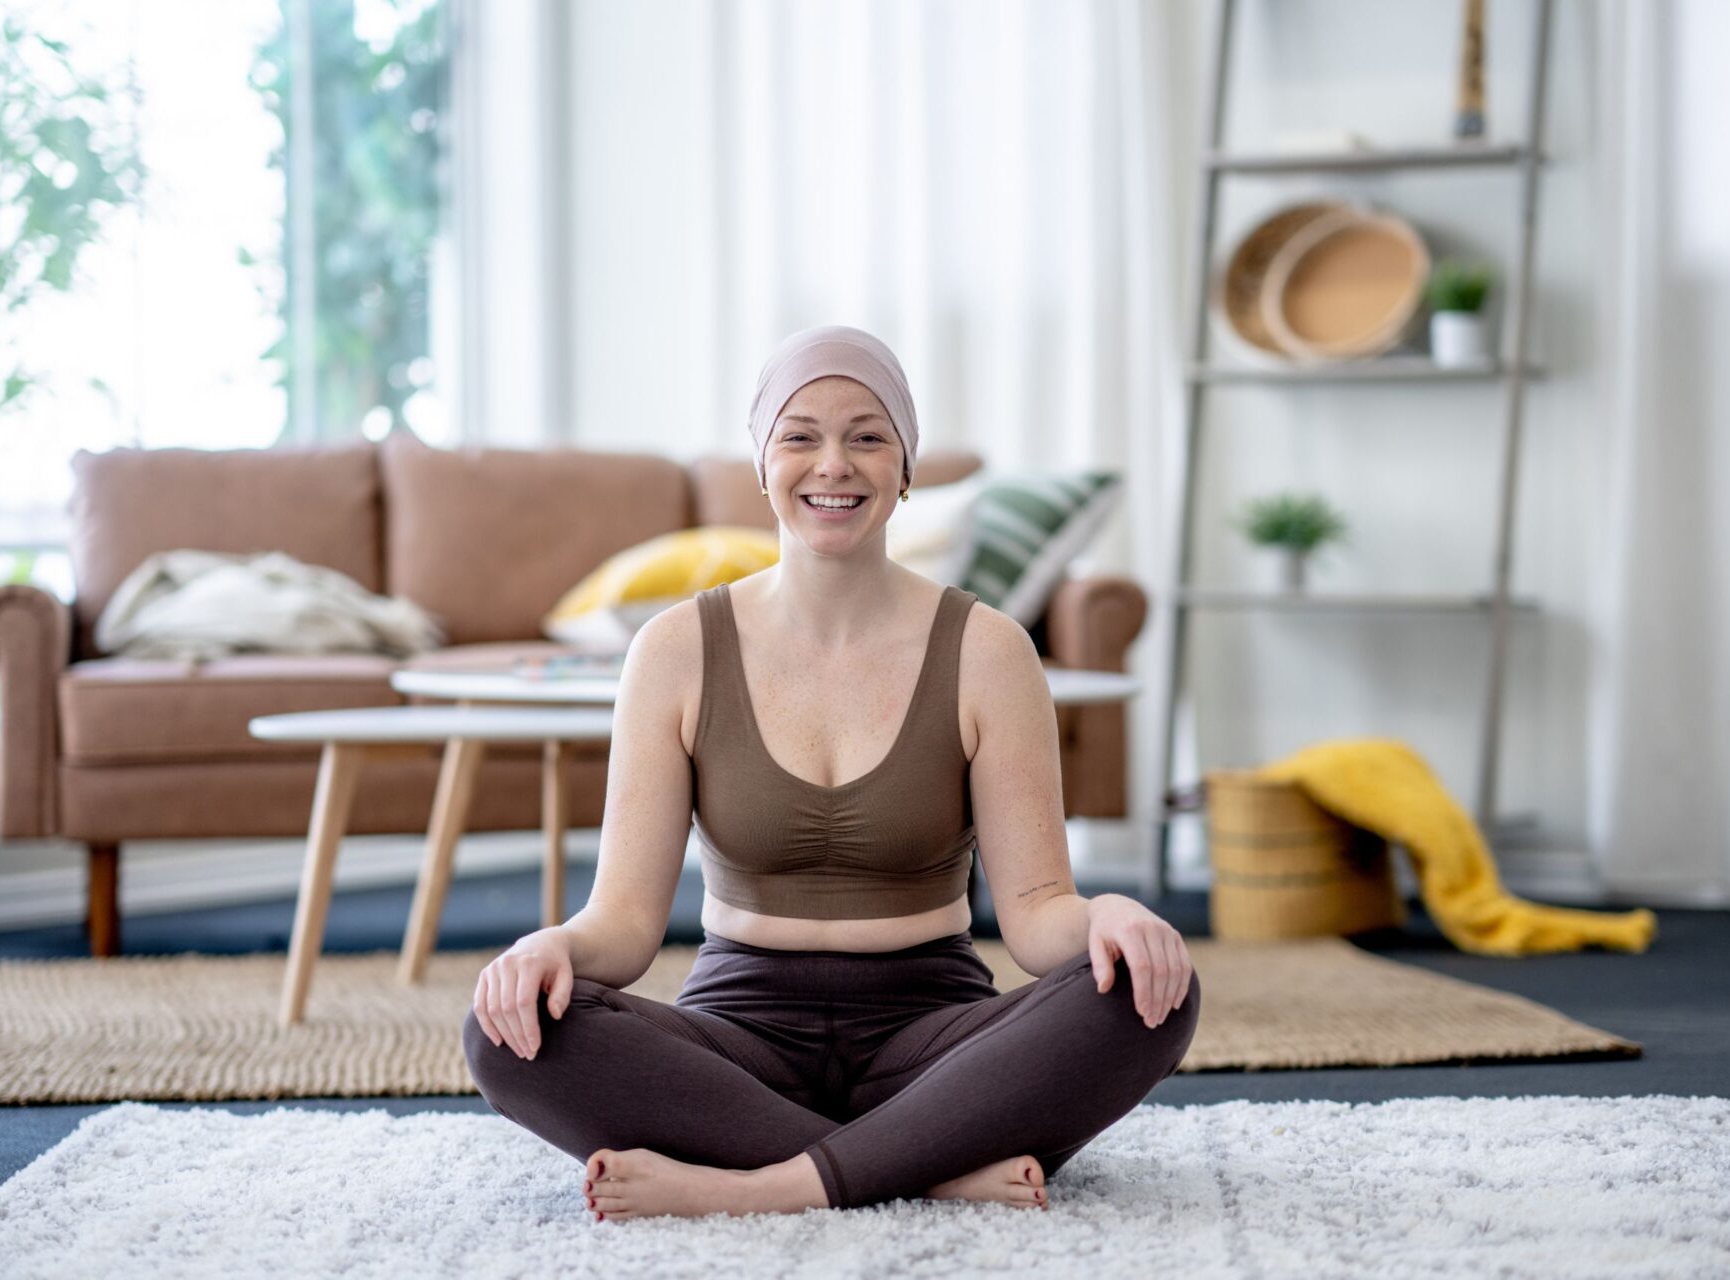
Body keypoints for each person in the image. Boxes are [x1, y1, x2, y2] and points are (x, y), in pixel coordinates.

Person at [463, 324, 1200, 1222]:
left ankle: (765, 1185)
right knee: (507, 1030)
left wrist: (1111, 915)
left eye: (868, 436)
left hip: (934, 1037)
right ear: (763, 461)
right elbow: (622, 927)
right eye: (800, 436)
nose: (834, 465)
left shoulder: (989, 650)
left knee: (1150, 996)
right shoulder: (674, 650)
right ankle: (924, 1161)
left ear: (906, 465)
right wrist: (552, 949)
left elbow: (1041, 915)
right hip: (739, 1041)